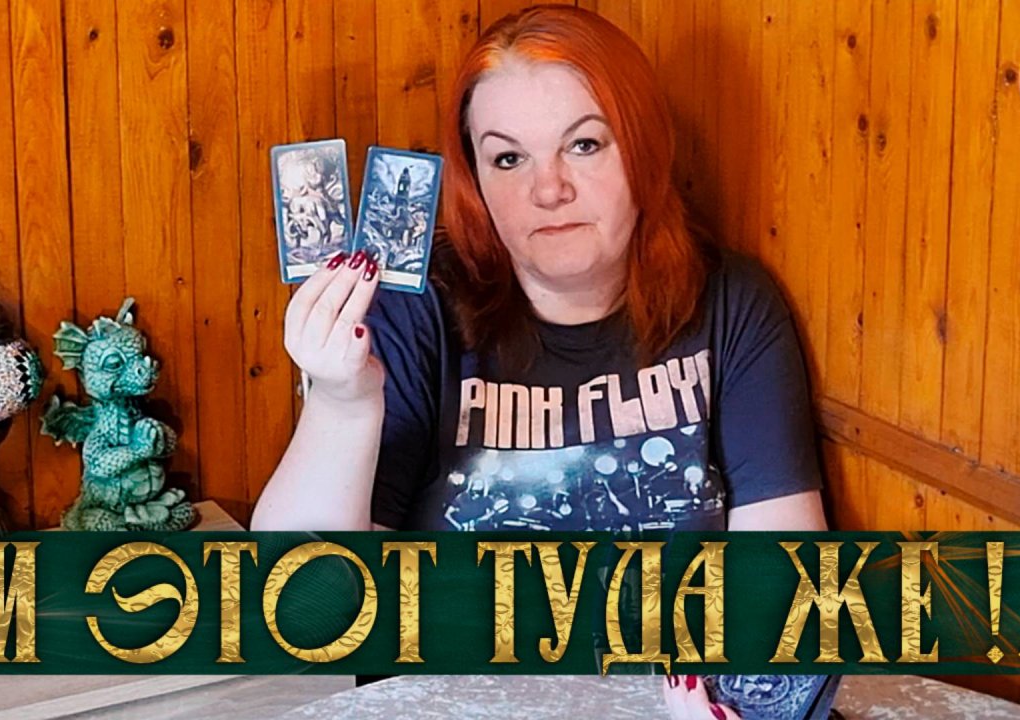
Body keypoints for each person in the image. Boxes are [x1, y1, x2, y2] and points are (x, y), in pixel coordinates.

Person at [252, 5, 832, 718]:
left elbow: (781, 587)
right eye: (508, 158)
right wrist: (342, 402)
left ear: (644, 148)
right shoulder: (418, 308)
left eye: (584, 145)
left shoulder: (732, 303)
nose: (548, 189)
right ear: (475, 181)